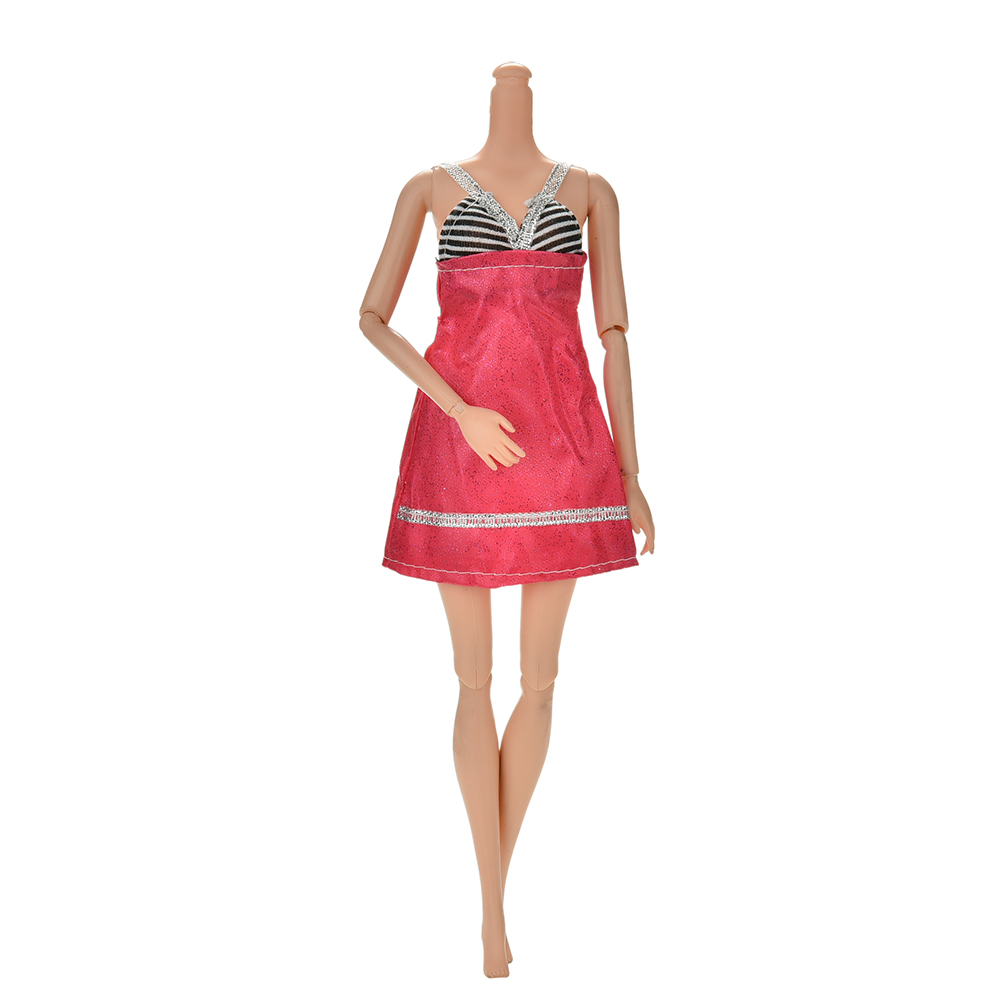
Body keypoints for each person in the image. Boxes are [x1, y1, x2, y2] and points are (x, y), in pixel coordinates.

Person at [359, 62, 655, 979]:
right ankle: (492, 912)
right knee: (471, 680)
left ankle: (493, 904)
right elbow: (371, 317)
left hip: (564, 448)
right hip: (463, 447)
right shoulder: (429, 188)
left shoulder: (594, 192)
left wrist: (633, 472)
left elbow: (614, 337)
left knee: (540, 682)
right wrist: (459, 410)